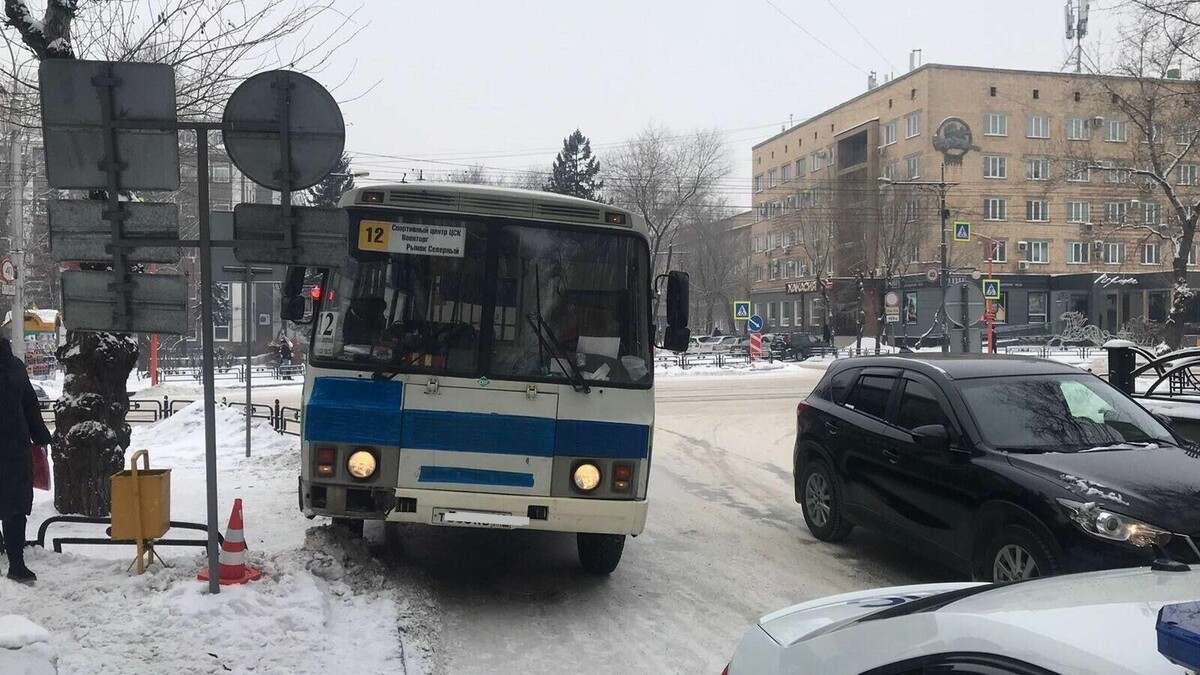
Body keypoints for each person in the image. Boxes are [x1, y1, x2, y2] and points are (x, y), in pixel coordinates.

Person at [0, 336, 51, 583]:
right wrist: (39, 434)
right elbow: (29, 404)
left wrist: (40, 436)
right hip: (15, 447)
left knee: (15, 506)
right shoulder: (15, 366)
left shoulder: (15, 367)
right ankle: (16, 563)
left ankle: (15, 561)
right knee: (15, 506)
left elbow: (29, 403)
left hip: (14, 448)